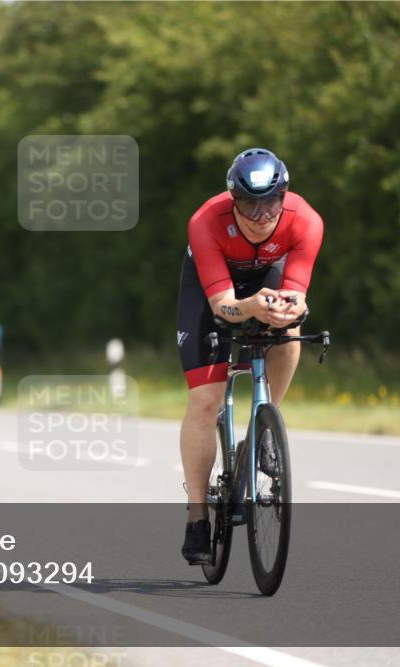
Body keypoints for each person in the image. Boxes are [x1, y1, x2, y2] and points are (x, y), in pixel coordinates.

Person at [176, 148, 323, 564]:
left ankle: (265, 423)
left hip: (267, 278)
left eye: (271, 202)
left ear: (285, 196)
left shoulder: (306, 221)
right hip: (212, 293)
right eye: (248, 204)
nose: (261, 215)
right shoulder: (205, 221)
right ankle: (197, 517)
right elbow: (223, 305)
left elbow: (297, 292)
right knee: (204, 402)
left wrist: (291, 307)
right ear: (232, 200)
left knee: (289, 329)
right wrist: (251, 306)